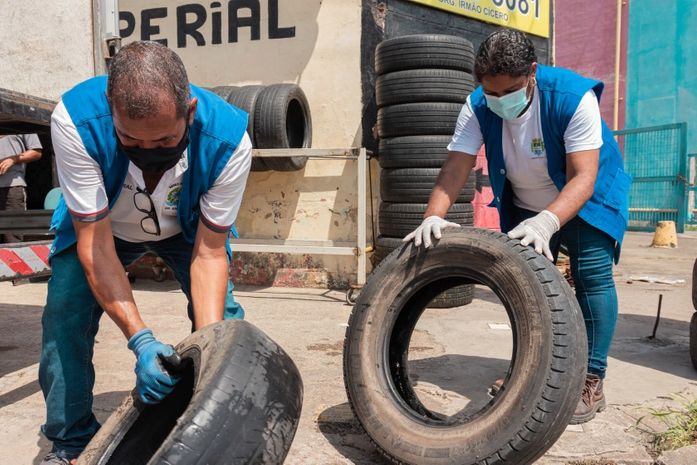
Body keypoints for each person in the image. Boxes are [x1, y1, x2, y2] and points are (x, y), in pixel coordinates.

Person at [404, 29, 631, 425]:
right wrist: (433, 216)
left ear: (532, 72)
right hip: (526, 199)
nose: (498, 102)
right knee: (526, 281)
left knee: (590, 277)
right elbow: (457, 164)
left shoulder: (571, 97)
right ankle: (534, 371)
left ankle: (590, 379)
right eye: (490, 92)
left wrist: (548, 221)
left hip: (586, 194)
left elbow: (583, 176)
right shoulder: (478, 105)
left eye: (508, 91)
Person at [40, 41, 252, 464]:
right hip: (103, 228)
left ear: (189, 111)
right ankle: (70, 442)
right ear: (110, 109)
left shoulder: (229, 141)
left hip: (186, 226)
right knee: (65, 314)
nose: (149, 151)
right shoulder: (75, 120)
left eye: (165, 139)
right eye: (130, 139)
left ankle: (215, 419)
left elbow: (210, 255)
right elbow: (96, 245)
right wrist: (140, 340)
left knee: (223, 327)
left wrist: (208, 353)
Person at [0, 133, 43, 242]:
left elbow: (36, 152)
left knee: (12, 236)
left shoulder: (21, 125)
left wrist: (13, 159)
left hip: (12, 187)